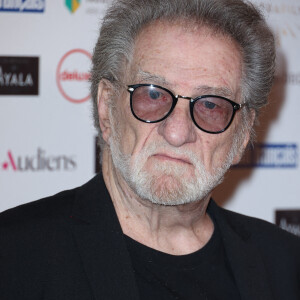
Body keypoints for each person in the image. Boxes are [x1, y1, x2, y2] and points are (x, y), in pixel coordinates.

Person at [1, 0, 299, 299]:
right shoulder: (13, 254)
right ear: (106, 108)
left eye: (211, 104)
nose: (177, 132)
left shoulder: (286, 265)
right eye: (153, 94)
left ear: (242, 135)